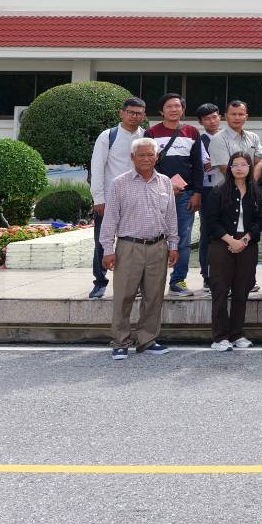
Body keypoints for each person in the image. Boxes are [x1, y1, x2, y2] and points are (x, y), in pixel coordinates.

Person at [99, 137, 177, 359]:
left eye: (150, 155)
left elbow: (171, 217)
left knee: (154, 296)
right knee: (124, 296)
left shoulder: (164, 182)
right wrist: (107, 249)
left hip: (158, 247)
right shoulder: (119, 183)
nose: (145, 159)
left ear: (157, 157)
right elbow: (111, 219)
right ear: (132, 157)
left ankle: (147, 339)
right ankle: (120, 342)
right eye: (141, 155)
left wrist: (173, 244)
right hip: (129, 247)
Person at [144, 93, 206, 296]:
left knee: (183, 239)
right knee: (153, 238)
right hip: (156, 194)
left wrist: (197, 192)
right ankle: (151, 283)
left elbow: (197, 165)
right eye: (169, 106)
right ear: (161, 111)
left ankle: (178, 281)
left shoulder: (191, 132)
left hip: (186, 196)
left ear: (183, 109)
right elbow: (146, 164)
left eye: (177, 106)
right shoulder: (151, 132)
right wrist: (165, 186)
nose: (173, 109)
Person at [201, 151, 262, 351]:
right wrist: (230, 240)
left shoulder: (255, 192)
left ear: (249, 168)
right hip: (222, 244)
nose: (239, 168)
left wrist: (245, 239)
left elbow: (260, 220)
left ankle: (237, 334)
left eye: (244, 164)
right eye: (235, 164)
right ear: (229, 168)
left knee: (241, 291)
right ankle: (220, 337)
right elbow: (211, 221)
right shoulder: (219, 191)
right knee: (220, 290)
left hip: (247, 245)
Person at [88, 96, 146, 300]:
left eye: (138, 113)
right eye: (130, 112)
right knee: (103, 242)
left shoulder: (145, 138)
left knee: (136, 244)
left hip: (138, 199)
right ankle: (100, 282)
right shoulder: (108, 136)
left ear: (144, 115)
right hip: (110, 200)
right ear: (122, 113)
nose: (134, 116)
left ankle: (135, 284)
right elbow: (97, 168)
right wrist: (99, 199)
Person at [194, 103, 223, 289]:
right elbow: (203, 164)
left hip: (227, 188)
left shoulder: (227, 136)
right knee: (207, 232)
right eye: (207, 118)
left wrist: (216, 161)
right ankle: (206, 274)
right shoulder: (199, 139)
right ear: (201, 122)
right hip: (207, 189)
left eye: (215, 116)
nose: (212, 121)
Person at [208, 100, 262, 184]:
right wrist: (243, 186)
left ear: (246, 117)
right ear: (226, 116)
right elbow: (225, 168)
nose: (237, 118)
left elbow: (259, 162)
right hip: (226, 191)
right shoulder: (218, 139)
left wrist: (251, 184)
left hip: (251, 189)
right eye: (233, 114)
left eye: (241, 114)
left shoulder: (254, 137)